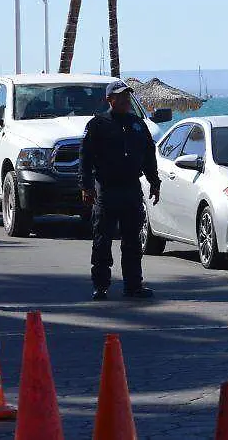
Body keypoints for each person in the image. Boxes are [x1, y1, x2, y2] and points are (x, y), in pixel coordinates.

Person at [80, 81, 161, 301]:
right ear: (110, 99)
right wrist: (86, 186)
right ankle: (100, 286)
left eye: (127, 95)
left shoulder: (138, 124)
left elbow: (149, 155)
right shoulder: (97, 124)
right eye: (120, 96)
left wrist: (154, 182)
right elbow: (85, 158)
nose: (125, 99)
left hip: (131, 189)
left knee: (133, 240)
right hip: (106, 190)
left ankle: (133, 285)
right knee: (102, 240)